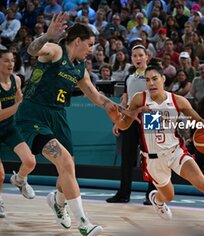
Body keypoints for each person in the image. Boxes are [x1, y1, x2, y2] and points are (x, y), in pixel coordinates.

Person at [16, 14, 138, 236]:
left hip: (58, 117)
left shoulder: (80, 68)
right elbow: (32, 51)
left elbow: (96, 96)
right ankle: (84, 223)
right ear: (78, 41)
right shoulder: (55, 50)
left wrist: (120, 109)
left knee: (67, 169)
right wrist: (47, 36)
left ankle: (58, 201)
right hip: (33, 114)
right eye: (89, 45)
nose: (91, 49)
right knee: (65, 163)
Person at [108, 62, 204, 233]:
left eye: (154, 79)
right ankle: (157, 200)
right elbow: (124, 125)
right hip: (153, 159)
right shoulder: (139, 99)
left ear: (163, 79)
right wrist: (116, 120)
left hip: (176, 152)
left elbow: (199, 122)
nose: (151, 83)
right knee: (168, 195)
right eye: (147, 80)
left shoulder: (178, 101)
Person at [106, 44, 155, 205]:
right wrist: (119, 120)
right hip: (130, 119)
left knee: (151, 157)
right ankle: (123, 194)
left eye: (141, 55)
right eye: (135, 56)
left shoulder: (153, 75)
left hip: (150, 118)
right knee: (126, 158)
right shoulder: (129, 77)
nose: (138, 58)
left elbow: (158, 98)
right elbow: (125, 100)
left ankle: (152, 194)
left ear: (147, 56)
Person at [0, 49, 36, 218]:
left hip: (10, 128)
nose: (11, 64)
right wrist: (18, 107)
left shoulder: (16, 80)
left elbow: (20, 100)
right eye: (6, 61)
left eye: (12, 61)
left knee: (30, 161)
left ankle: (20, 180)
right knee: (0, 174)